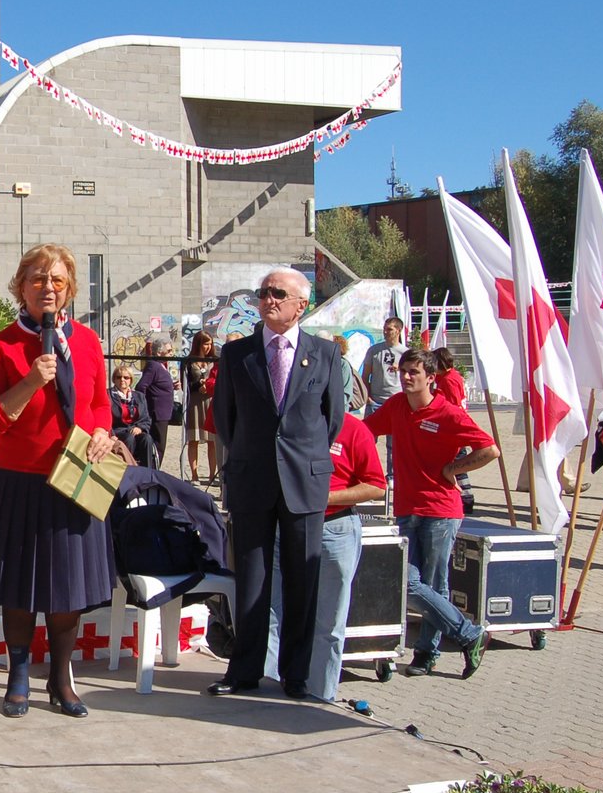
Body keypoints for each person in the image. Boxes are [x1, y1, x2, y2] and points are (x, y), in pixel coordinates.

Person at [0, 244, 118, 719]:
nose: (47, 288)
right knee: (19, 586)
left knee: (67, 588)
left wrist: (101, 429)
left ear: (70, 288)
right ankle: (17, 675)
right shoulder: (1, 345)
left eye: (57, 280)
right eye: (37, 279)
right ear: (20, 287)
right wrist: (33, 380)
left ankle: (60, 677)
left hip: (76, 477)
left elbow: (98, 402)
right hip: (19, 480)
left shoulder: (89, 342)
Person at [208, 268, 347, 699]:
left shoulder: (324, 354)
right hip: (252, 479)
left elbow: (333, 421)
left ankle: (296, 675)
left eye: (277, 294)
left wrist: (299, 457)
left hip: (303, 483)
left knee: (302, 582)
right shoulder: (238, 355)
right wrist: (253, 455)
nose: (268, 300)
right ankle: (245, 670)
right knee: (251, 579)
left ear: (300, 304)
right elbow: (225, 421)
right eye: (263, 293)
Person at [364, 349, 499, 679]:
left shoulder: (447, 413)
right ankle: (470, 633)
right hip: (407, 508)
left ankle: (426, 653)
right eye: (403, 371)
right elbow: (365, 432)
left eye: (413, 372)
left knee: (435, 585)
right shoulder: (396, 406)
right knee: (408, 582)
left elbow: (490, 449)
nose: (406, 377)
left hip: (441, 510)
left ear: (431, 378)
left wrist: (455, 467)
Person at [265, 413, 387, 702]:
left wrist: (322, 499)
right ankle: (264, 693)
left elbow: (376, 485)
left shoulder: (354, 429)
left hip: (334, 530)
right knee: (271, 614)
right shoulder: (286, 424)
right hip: (286, 526)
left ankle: (320, 697)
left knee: (328, 622)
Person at [431, 346, 476, 512]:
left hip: (453, 429)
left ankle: (466, 498)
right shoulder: (452, 376)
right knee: (456, 463)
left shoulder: (448, 380)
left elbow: (451, 406)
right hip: (454, 428)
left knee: (457, 464)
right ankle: (465, 497)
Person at [135, 338, 175, 468]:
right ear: (159, 353)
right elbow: (141, 386)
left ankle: (154, 470)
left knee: (160, 445)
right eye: (168, 351)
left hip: (163, 412)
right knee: (159, 445)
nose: (171, 353)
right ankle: (153, 471)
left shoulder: (161, 366)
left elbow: (157, 384)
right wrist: (145, 406)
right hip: (157, 412)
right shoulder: (153, 366)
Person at [183, 331, 217, 482]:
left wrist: (209, 386)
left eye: (210, 343)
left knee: (212, 440)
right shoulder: (189, 362)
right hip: (195, 402)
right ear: (198, 344)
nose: (208, 347)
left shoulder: (215, 360)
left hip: (211, 401)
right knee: (194, 439)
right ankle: (194, 474)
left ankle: (211, 474)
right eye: (205, 343)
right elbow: (185, 384)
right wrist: (199, 385)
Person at [109, 365, 154, 467]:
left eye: (126, 377)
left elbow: (146, 418)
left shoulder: (139, 396)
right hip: (118, 431)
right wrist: (111, 435)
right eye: (118, 377)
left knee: (146, 439)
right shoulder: (109, 395)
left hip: (135, 430)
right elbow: (105, 417)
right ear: (114, 379)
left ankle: (147, 472)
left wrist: (140, 428)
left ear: (131, 379)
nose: (122, 380)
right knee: (129, 438)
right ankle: (128, 469)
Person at [362, 317, 406, 415]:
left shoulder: (406, 353)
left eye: (389, 329)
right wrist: (367, 397)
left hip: (397, 401)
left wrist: (400, 368)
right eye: (384, 329)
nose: (385, 332)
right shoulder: (373, 351)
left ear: (398, 331)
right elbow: (365, 376)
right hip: (375, 402)